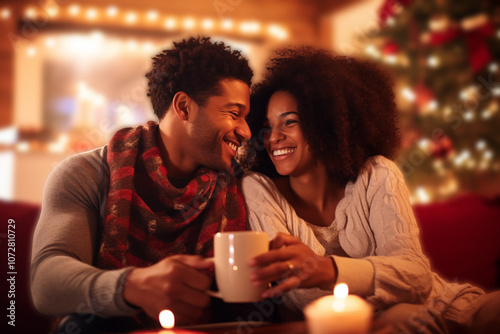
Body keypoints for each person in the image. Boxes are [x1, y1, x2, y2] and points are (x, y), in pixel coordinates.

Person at [241, 47, 500, 333]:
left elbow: (418, 280)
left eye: (289, 122)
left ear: (325, 124)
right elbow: (303, 294)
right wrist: (391, 290)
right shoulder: (259, 189)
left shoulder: (377, 174)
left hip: (455, 309)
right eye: (267, 127)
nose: (274, 137)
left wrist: (327, 269)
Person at [31, 36, 259, 331]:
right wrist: (133, 286)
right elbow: (46, 282)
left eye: (246, 117)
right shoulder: (85, 173)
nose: (245, 130)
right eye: (233, 113)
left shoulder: (243, 185)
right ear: (184, 107)